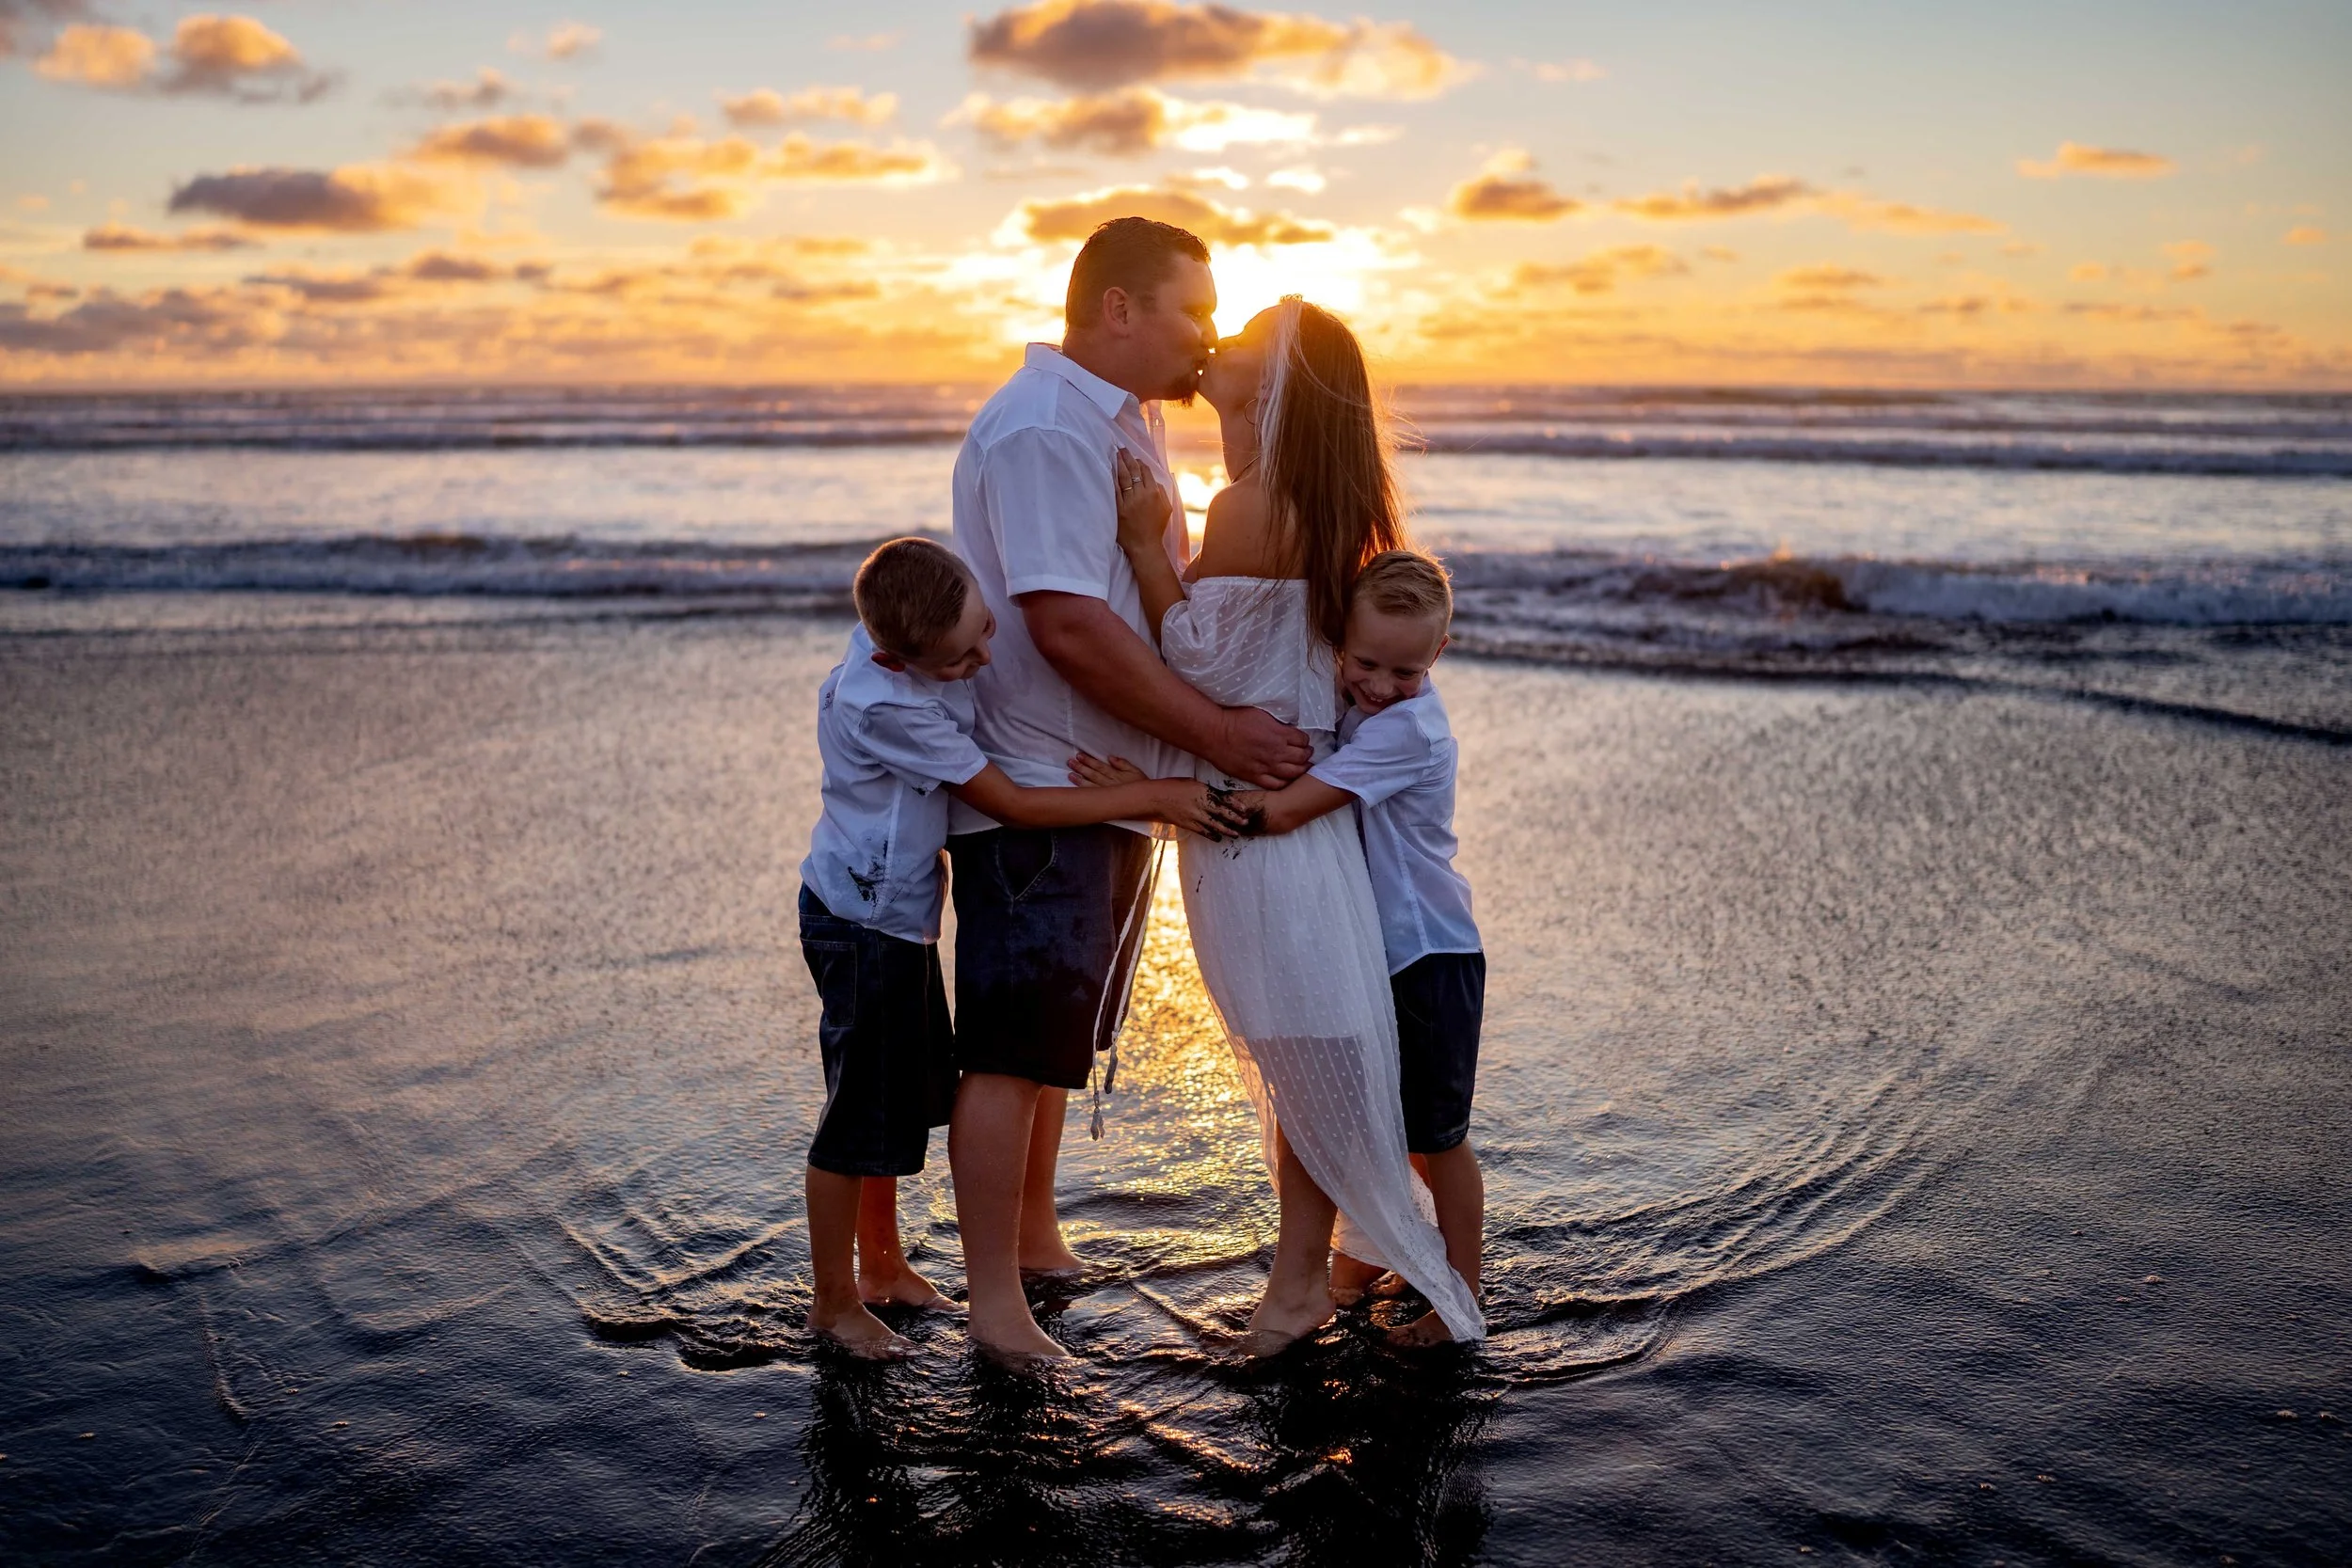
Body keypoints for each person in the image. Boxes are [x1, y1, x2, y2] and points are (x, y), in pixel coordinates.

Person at [945, 217, 1311, 1362]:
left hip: (1109, 784)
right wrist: (1216, 735)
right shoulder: (1047, 428)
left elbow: (1150, 597)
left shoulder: (1131, 418)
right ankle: (995, 1304)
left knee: (1060, 1037)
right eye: (1192, 308)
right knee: (1009, 1048)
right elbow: (1064, 624)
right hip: (1042, 790)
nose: (1205, 335)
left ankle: (1039, 1236)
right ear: (1117, 308)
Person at [1100, 297, 1486, 1351]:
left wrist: (1143, 547)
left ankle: (1298, 1283)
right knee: (1298, 1055)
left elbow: (1197, 664)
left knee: (1301, 1054)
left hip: (1269, 837)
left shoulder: (1254, 505)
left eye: (1249, 340)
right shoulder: (1313, 502)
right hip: (1295, 833)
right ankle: (1310, 1272)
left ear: (1272, 390)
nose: (1218, 344)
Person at [798, 536, 1240, 1359]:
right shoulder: (886, 703)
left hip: (897, 918)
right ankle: (833, 1299)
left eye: (986, 630)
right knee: (858, 1113)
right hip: (860, 921)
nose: (986, 658)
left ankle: (883, 1267)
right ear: (898, 655)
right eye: (964, 657)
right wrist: (1154, 795)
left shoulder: (903, 634)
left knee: (892, 1103)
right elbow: (1007, 800)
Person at [1158, 549, 1486, 1347]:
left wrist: (1161, 799)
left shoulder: (1407, 727)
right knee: (1376, 1116)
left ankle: (1460, 1297)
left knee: (1434, 1137)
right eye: (1365, 661)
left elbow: (1289, 810)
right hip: (1381, 949)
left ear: (1437, 657)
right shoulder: (1364, 707)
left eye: (1403, 670)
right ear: (1339, 639)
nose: (1377, 683)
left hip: (1430, 954)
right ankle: (1375, 1254)